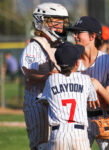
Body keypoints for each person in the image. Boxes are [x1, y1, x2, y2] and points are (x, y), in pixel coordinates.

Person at [19, 2, 69, 150]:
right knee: (40, 145)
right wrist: (47, 76)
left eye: (62, 22)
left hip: (55, 102)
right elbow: (28, 72)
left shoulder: (59, 45)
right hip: (37, 101)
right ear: (43, 22)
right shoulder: (34, 46)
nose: (61, 26)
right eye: (56, 22)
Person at [68, 16, 109, 150]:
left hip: (105, 119)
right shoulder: (71, 63)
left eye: (79, 32)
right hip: (80, 119)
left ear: (92, 36)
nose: (75, 36)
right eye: (74, 33)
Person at [37, 42, 98, 150]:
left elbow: (42, 100)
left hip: (58, 134)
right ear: (77, 63)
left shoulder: (52, 80)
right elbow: (93, 102)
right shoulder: (85, 79)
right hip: (79, 134)